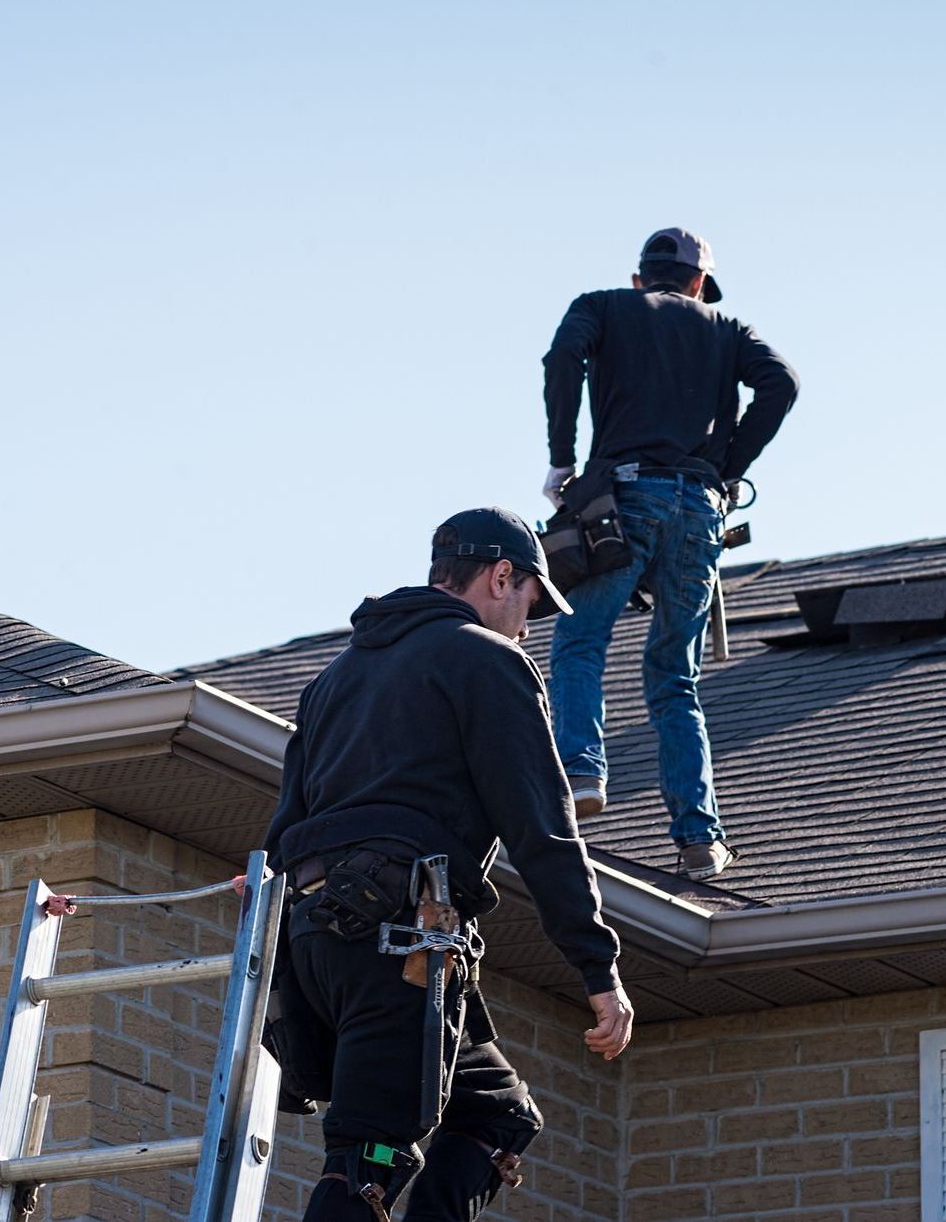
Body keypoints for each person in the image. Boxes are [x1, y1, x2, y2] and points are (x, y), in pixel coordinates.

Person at [262, 506, 634, 1222]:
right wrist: (599, 971)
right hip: (397, 943)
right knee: (368, 1159)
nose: (529, 625)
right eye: (530, 601)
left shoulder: (333, 681)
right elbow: (544, 831)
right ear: (502, 576)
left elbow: (283, 835)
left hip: (319, 945)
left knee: (496, 1115)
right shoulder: (488, 662)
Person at [542, 227, 799, 881]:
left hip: (625, 499)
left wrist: (563, 460)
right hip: (699, 510)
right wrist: (727, 464)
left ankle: (579, 773)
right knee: (674, 678)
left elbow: (561, 359)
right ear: (696, 284)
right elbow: (782, 384)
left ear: (640, 279)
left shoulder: (603, 306)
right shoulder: (726, 328)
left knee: (580, 642)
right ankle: (700, 840)